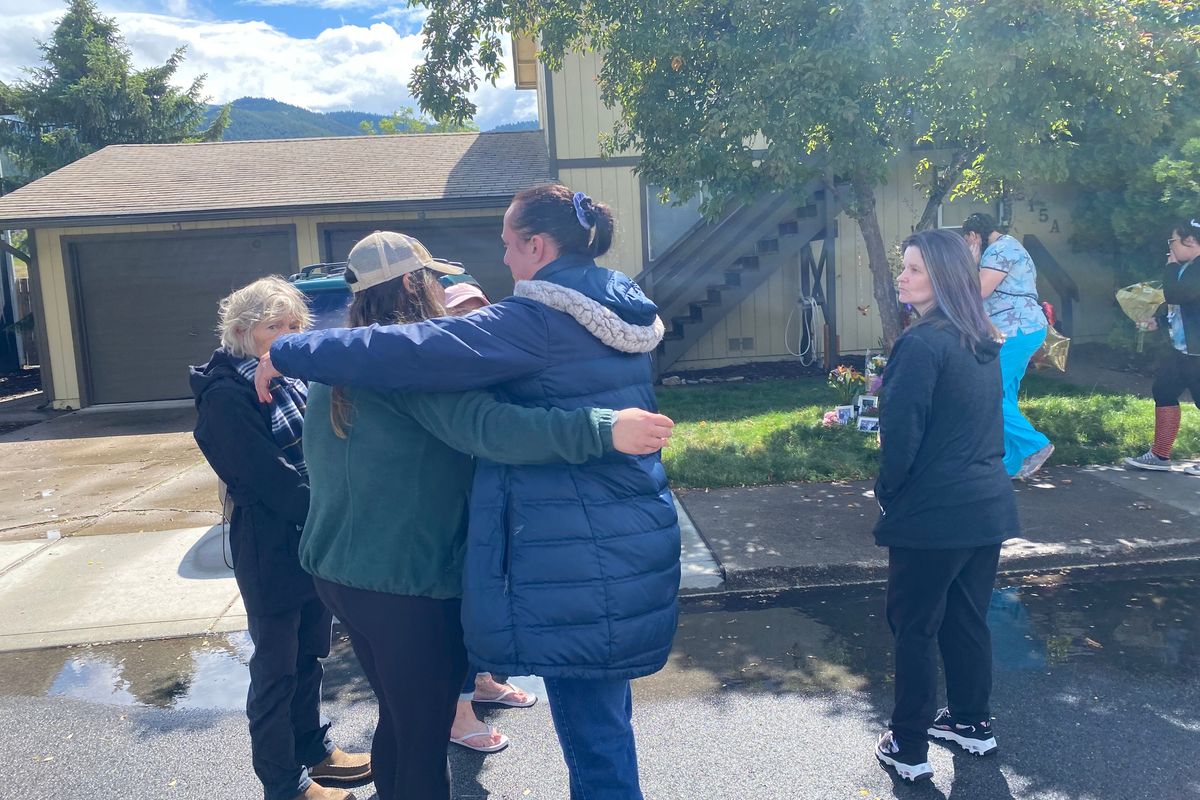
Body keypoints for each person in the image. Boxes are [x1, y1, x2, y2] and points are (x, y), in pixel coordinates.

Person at [258, 184, 680, 800]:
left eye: (508, 245)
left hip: (343, 572)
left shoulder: (343, 369)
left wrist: (294, 348)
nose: (503, 259)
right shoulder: (600, 316)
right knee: (444, 737)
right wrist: (605, 427)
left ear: (537, 245)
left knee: (406, 726)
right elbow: (488, 426)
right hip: (423, 578)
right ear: (417, 285)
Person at [189, 276, 370, 800]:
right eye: (275, 326)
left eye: (294, 325)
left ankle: (312, 749)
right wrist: (330, 511)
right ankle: (283, 782)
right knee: (276, 667)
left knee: (310, 653)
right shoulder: (225, 394)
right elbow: (267, 478)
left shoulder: (289, 378)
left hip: (308, 536)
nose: (287, 334)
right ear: (244, 331)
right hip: (269, 544)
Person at [873, 229, 1020, 783]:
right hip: (985, 507)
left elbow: (901, 438)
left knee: (914, 628)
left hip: (937, 514)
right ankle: (971, 723)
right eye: (903, 266)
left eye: (914, 269)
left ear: (943, 277)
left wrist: (889, 495)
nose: (902, 277)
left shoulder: (921, 343)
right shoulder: (979, 338)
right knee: (965, 618)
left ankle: (908, 746)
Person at [961, 212, 1054, 479]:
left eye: (968, 240)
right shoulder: (1011, 245)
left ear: (975, 235)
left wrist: (972, 261)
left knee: (987, 392)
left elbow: (977, 291)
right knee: (1005, 393)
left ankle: (1034, 445)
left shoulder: (998, 251)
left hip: (1016, 329)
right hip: (1021, 329)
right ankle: (1012, 462)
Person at [1124, 219, 1200, 475]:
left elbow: (1177, 295)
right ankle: (1159, 455)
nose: (1170, 249)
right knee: (1164, 390)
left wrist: (1169, 268)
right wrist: (1158, 321)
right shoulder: (1186, 267)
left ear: (1190, 242)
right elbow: (1180, 306)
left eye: (1173, 242)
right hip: (1183, 349)